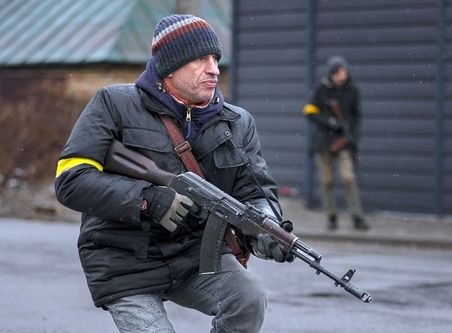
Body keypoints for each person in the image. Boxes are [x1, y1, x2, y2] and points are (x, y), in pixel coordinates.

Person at [54, 14, 290, 333]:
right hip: (123, 259)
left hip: (196, 258)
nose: (214, 69)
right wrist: (147, 201)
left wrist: (266, 227)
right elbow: (72, 180)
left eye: (216, 59)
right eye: (201, 60)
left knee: (249, 300)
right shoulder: (114, 104)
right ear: (170, 65)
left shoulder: (237, 123)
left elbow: (255, 193)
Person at [303, 55, 370, 231]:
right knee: (327, 181)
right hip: (323, 142)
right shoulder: (321, 89)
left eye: (344, 72)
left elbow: (357, 117)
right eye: (338, 73)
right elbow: (309, 111)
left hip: (344, 141)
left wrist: (353, 138)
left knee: (348, 178)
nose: (342, 76)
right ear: (331, 74)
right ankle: (331, 216)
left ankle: (357, 216)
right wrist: (329, 121)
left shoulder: (352, 90)